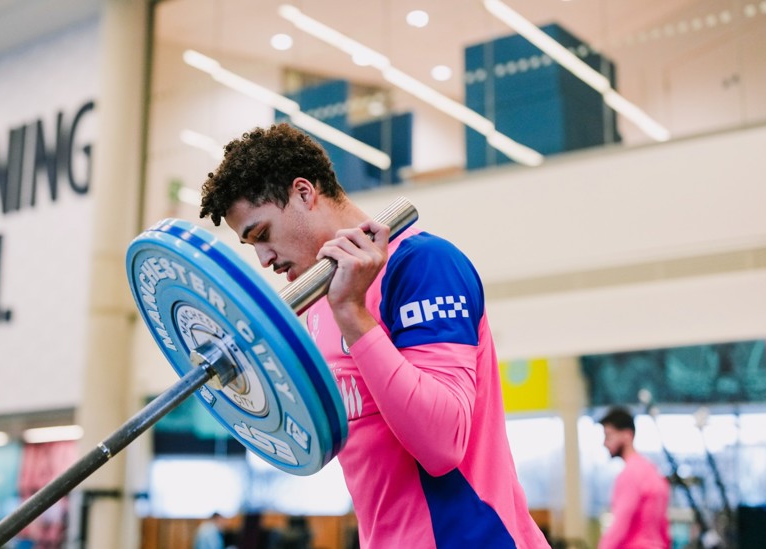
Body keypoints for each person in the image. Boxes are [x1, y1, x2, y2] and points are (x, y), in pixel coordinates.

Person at [199, 123, 549, 548]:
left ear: (304, 193)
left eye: (263, 234)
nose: (263, 259)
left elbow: (443, 444)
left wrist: (352, 313)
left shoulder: (422, 265)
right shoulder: (315, 304)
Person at [597, 407, 670, 549]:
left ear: (627, 435)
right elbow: (664, 527)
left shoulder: (630, 474)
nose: (605, 443)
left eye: (609, 436)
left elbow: (620, 523)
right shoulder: (652, 472)